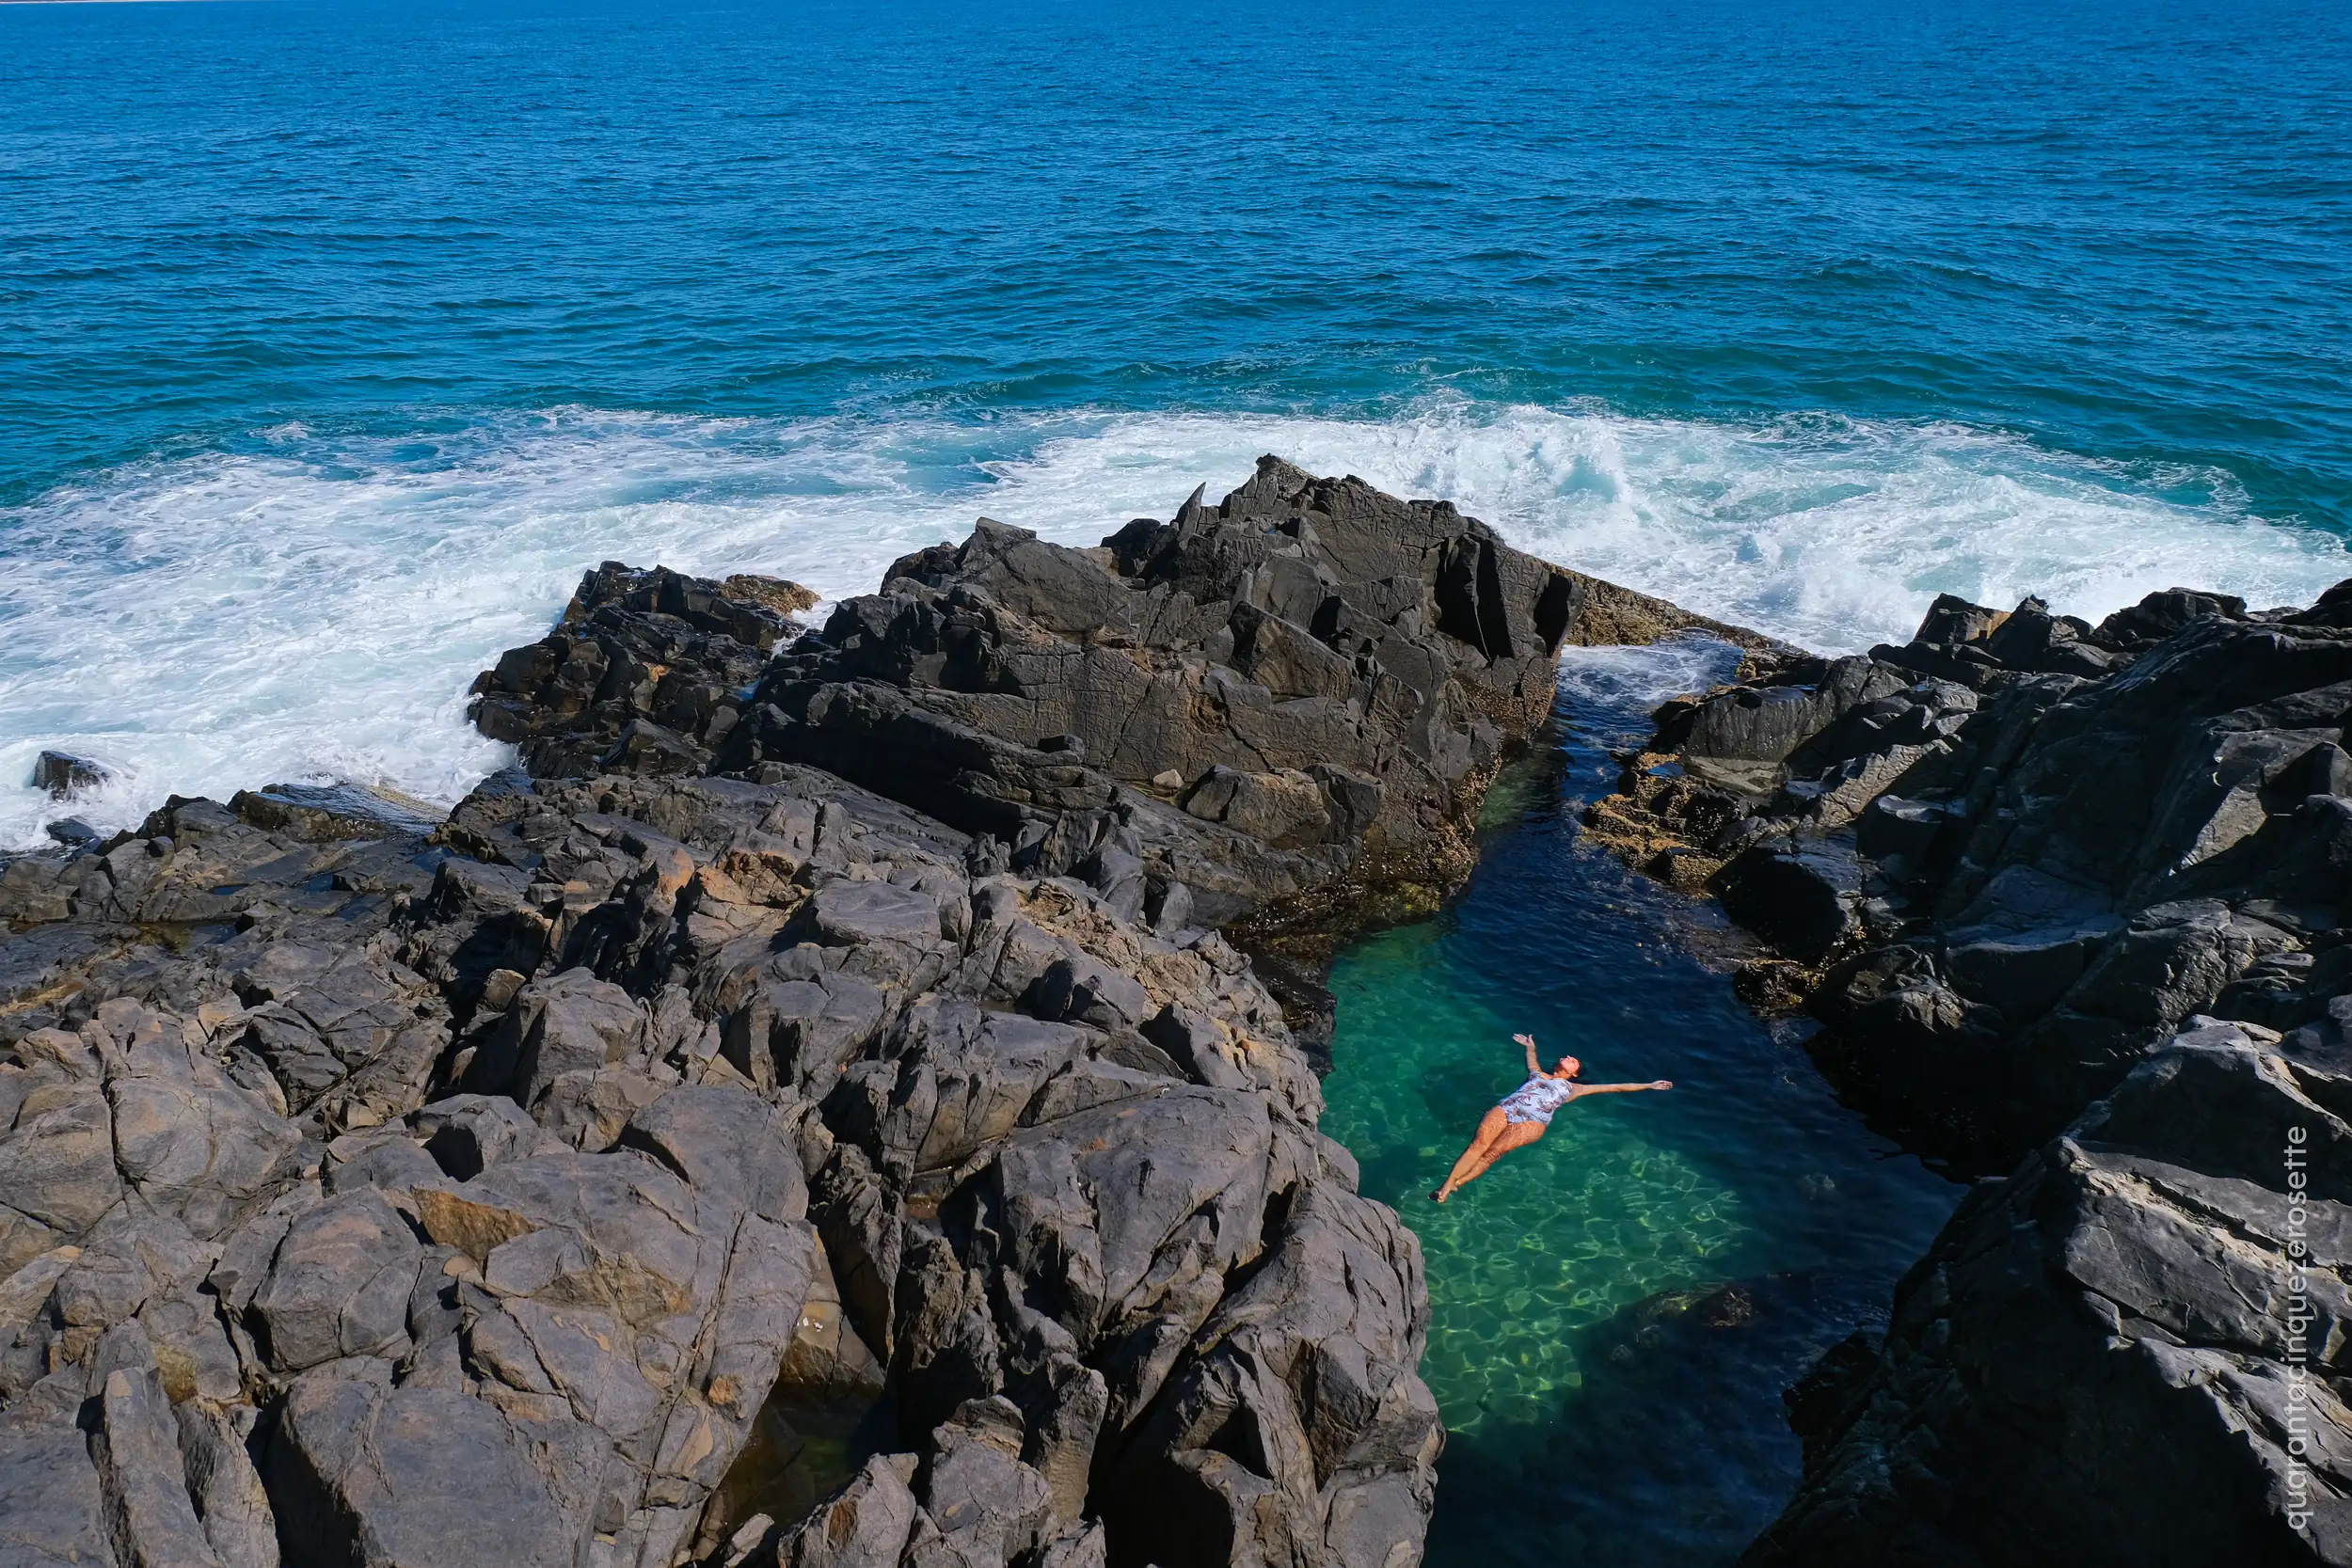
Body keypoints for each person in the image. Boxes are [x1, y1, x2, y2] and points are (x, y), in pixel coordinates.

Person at [1431, 1033, 1672, 1202]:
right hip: (1508, 1108)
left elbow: (1616, 1087)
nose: (1568, 1056)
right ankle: (1447, 1184)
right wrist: (1529, 1046)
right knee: (1478, 1145)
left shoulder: (1575, 1089)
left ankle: (1456, 1184)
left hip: (1531, 1123)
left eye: (1573, 1060)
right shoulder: (1538, 1074)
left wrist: (1649, 1085)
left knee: (1492, 1153)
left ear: (1574, 1073)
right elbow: (1532, 1060)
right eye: (1568, 1056)